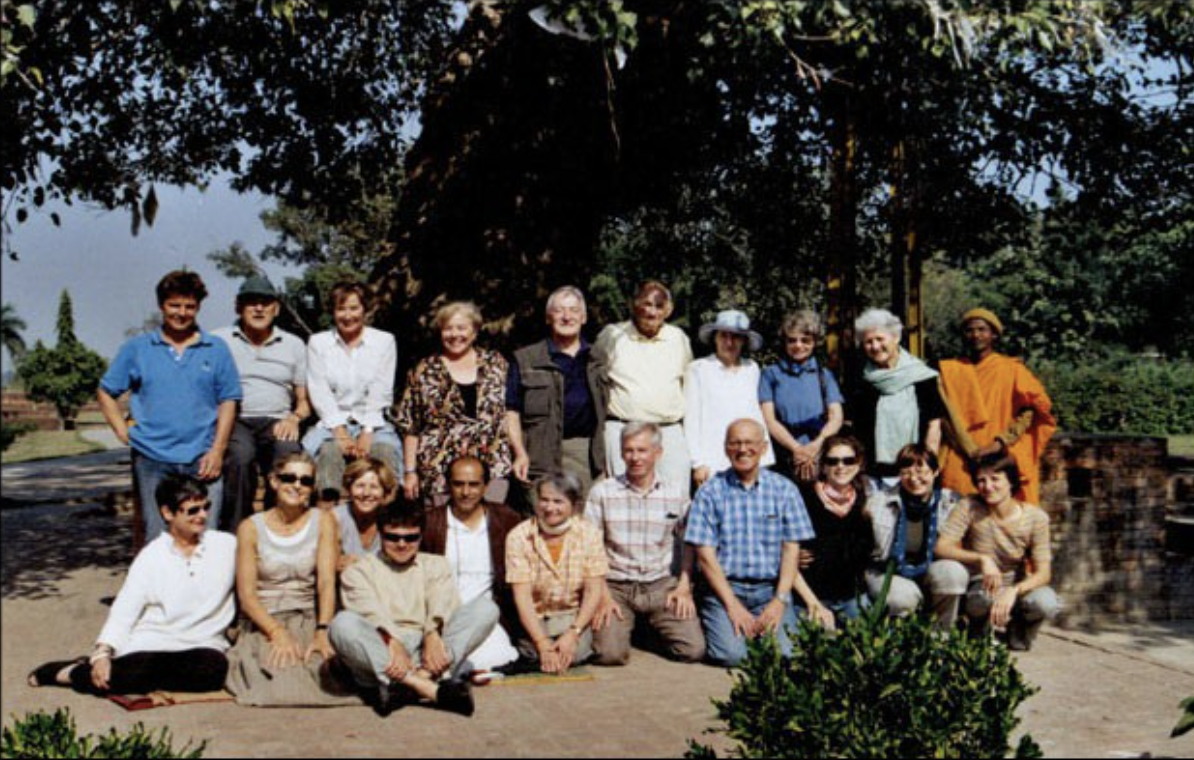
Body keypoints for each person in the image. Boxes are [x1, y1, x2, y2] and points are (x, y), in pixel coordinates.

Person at [28, 475, 236, 696]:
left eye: (206, 507)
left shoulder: (226, 545)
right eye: (193, 510)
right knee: (120, 677)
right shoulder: (151, 556)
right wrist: (102, 654)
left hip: (203, 645)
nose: (203, 515)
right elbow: (125, 609)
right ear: (168, 513)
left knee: (212, 672)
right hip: (153, 643)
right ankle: (70, 671)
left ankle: (131, 674)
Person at [97, 270, 241, 540]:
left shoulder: (216, 348)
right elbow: (106, 391)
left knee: (205, 536)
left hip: (203, 458)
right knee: (158, 538)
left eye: (189, 306)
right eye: (174, 305)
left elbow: (228, 400)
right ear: (162, 305)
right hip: (153, 458)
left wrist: (217, 451)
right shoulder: (138, 348)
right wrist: (122, 430)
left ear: (198, 307)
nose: (182, 313)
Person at [330, 498, 497, 716]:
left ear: (420, 536)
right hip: (382, 653)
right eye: (393, 537)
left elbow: (441, 603)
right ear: (381, 534)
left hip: (427, 652)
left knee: (486, 608)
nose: (402, 544)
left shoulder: (436, 564)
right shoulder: (359, 571)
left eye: (410, 538)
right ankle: (428, 688)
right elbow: (369, 611)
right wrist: (391, 640)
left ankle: (406, 686)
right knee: (341, 624)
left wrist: (432, 633)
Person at [225, 452, 356, 706]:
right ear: (274, 482)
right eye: (290, 478)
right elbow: (247, 596)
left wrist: (322, 629)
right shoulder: (250, 528)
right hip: (265, 620)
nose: (297, 485)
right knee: (279, 673)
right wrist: (277, 633)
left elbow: (326, 582)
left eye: (306, 481)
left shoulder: (323, 521)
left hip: (308, 616)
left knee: (323, 669)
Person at [685, 419, 813, 666]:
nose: (742, 449)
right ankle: (725, 623)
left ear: (764, 448)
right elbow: (705, 557)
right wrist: (732, 606)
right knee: (732, 656)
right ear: (725, 448)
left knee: (786, 654)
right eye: (735, 443)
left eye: (749, 443)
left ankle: (788, 618)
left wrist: (779, 600)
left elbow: (791, 551)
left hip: (769, 590)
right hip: (724, 592)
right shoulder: (709, 492)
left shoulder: (785, 490)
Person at [585, 422, 706, 666]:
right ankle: (625, 628)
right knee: (610, 655)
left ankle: (648, 630)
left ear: (658, 453)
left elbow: (691, 542)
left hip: (661, 586)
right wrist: (603, 596)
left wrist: (684, 586)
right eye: (629, 451)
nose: (635, 458)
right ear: (621, 454)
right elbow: (590, 548)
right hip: (616, 586)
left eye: (642, 450)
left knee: (692, 650)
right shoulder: (603, 492)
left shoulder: (677, 492)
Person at [212, 275, 310, 530]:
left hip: (278, 419)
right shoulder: (218, 341)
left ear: (276, 308)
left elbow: (304, 400)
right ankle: (239, 533)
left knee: (288, 459)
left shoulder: (294, 344)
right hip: (237, 419)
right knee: (240, 457)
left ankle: (280, 529)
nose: (258, 308)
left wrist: (294, 418)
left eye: (265, 302)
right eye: (250, 302)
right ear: (238, 307)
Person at [935, 454, 1061, 650]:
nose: (987, 486)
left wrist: (1014, 590)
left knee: (1046, 601)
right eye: (981, 480)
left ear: (1011, 481)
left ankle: (1018, 630)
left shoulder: (1036, 518)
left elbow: (1044, 573)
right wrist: (982, 558)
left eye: (995, 479)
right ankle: (978, 629)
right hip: (980, 583)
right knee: (984, 598)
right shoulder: (969, 506)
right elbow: (942, 546)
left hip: (1015, 584)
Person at [397, 301, 513, 504]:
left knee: (490, 528)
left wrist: (519, 453)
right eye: (448, 328)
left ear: (475, 331)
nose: (454, 334)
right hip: (438, 470)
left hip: (492, 466)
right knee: (442, 530)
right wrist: (410, 472)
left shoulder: (497, 364)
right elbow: (410, 426)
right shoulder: (424, 370)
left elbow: (511, 413)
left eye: (461, 328)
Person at [938, 308, 1057, 504]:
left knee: (1000, 523)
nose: (976, 335)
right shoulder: (949, 370)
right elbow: (941, 415)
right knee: (955, 516)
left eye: (982, 329)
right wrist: (967, 448)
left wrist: (999, 443)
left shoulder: (1012, 369)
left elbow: (1034, 410)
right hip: (959, 456)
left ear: (994, 334)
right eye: (969, 330)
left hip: (998, 457)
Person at [506, 286, 608, 504]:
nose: (566, 316)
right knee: (540, 519)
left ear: (583, 317)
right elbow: (511, 411)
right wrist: (519, 453)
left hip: (585, 454)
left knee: (580, 522)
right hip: (538, 453)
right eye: (559, 310)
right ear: (548, 317)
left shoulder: (599, 358)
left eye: (573, 310)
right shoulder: (525, 359)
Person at [303, 281, 402, 502]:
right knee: (326, 453)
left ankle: (387, 517)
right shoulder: (318, 343)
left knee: (384, 453)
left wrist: (367, 431)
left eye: (354, 308)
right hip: (332, 422)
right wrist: (339, 432)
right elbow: (319, 390)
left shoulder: (384, 341)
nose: (347, 316)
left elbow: (381, 389)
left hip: (373, 421)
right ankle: (329, 517)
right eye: (341, 309)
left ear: (365, 310)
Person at [422, 456, 523, 672]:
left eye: (473, 484)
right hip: (442, 619)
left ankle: (437, 670)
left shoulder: (506, 519)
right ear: (448, 485)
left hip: (485, 617)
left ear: (486, 486)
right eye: (458, 484)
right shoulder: (431, 523)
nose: (466, 492)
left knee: (497, 657)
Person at [595, 280, 693, 492]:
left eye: (659, 306)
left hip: (669, 430)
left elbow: (687, 382)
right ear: (633, 304)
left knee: (676, 498)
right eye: (646, 304)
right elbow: (594, 380)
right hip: (623, 428)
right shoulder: (611, 336)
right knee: (623, 497)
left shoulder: (678, 338)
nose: (651, 312)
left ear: (668, 310)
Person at [506, 472, 609, 674]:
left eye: (558, 501)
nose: (550, 508)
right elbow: (522, 597)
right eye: (544, 500)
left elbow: (592, 591)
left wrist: (574, 633)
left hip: (571, 615)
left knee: (575, 654)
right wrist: (542, 642)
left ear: (574, 505)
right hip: (535, 616)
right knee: (535, 654)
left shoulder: (589, 534)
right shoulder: (519, 536)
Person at [866, 443, 967, 629]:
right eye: (906, 472)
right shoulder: (879, 501)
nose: (914, 479)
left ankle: (942, 634)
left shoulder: (951, 502)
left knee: (953, 574)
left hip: (929, 568)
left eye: (922, 472)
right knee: (902, 598)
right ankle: (901, 637)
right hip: (887, 569)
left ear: (935, 472)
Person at [848, 308, 946, 481]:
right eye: (868, 342)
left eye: (880, 339)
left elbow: (934, 425)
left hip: (915, 470)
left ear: (896, 338)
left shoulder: (922, 376)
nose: (875, 346)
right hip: (873, 472)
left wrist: (926, 466)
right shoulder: (860, 380)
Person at [685, 309, 774, 490]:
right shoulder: (699, 369)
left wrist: (763, 454)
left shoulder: (752, 369)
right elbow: (691, 418)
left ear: (744, 341)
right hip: (713, 458)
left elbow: (756, 414)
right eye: (723, 336)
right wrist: (698, 462)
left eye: (736, 337)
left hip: (749, 454)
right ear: (714, 338)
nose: (729, 342)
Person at [794, 434, 873, 625]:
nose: (841, 466)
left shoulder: (866, 500)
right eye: (832, 461)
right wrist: (791, 556)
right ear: (823, 466)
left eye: (848, 460)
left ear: (858, 463)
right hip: (813, 597)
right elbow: (786, 548)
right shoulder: (804, 498)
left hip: (851, 596)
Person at [759, 310, 845, 483]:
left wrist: (816, 446)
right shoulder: (770, 374)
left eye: (805, 340)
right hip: (784, 453)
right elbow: (768, 419)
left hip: (820, 451)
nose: (798, 345)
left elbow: (836, 416)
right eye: (792, 340)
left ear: (815, 342)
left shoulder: (824, 375)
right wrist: (796, 449)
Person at [332, 457, 400, 571]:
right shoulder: (335, 518)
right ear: (349, 488)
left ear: (384, 492)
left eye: (374, 487)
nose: (366, 493)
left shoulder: (393, 520)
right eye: (360, 486)